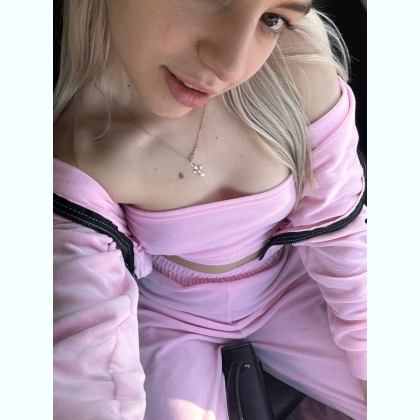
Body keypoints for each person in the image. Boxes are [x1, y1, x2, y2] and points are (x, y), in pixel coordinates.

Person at [53, 0, 367, 419]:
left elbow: (343, 239)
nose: (231, 66)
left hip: (290, 285)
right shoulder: (75, 153)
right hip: (170, 319)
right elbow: (85, 369)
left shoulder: (296, 61)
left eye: (273, 19)